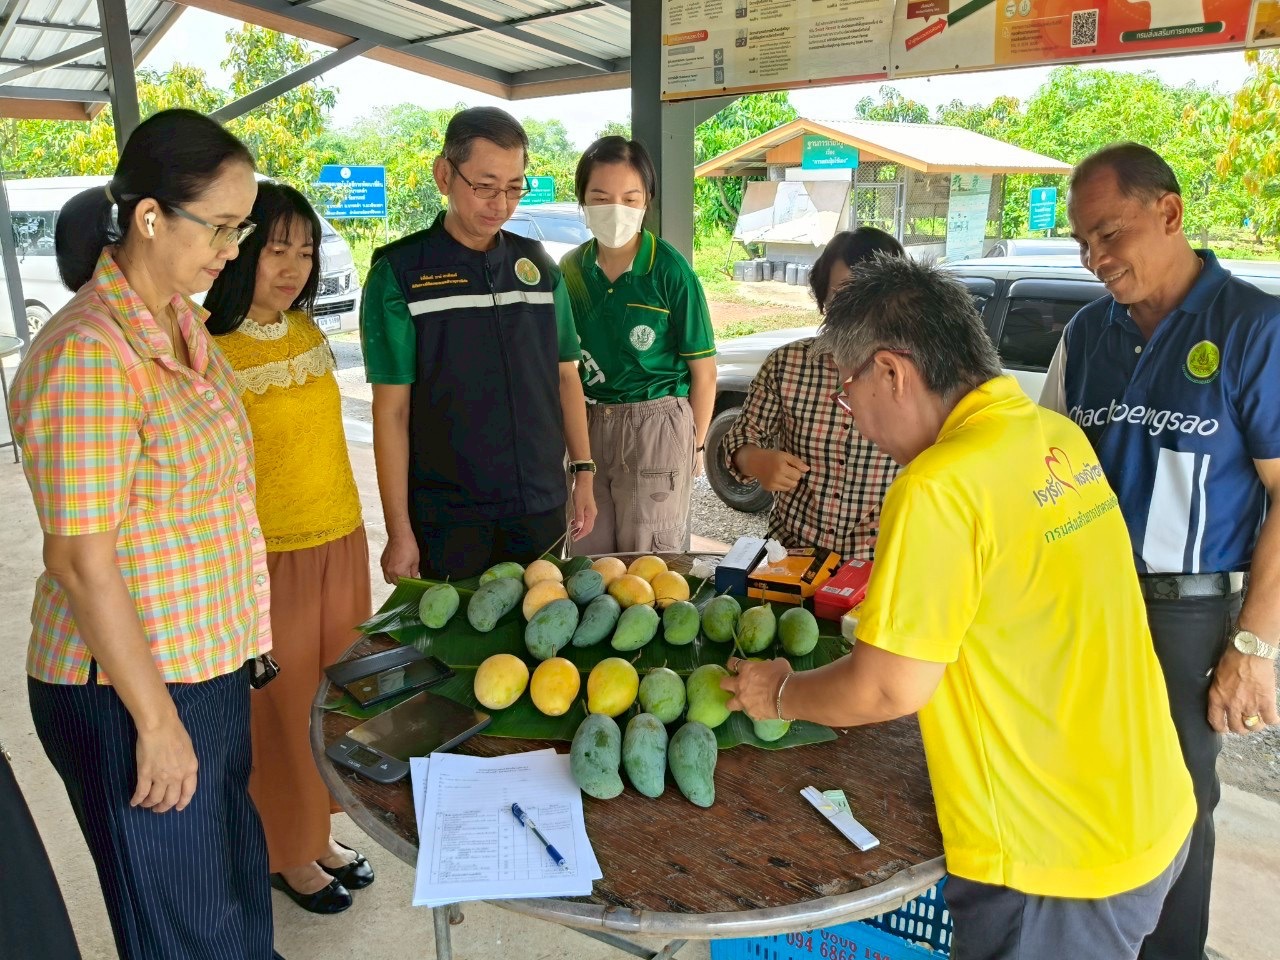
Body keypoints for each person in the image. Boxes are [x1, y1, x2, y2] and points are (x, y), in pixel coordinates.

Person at [723, 255, 1195, 960]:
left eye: (848, 391)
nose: (851, 415)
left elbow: (889, 685)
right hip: (1149, 804)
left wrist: (781, 692)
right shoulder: (1052, 438)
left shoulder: (939, 484)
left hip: (1055, 862)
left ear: (891, 371)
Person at [8, 109, 279, 960]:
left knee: (231, 887)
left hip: (202, 664)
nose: (234, 250)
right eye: (224, 227)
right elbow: (83, 565)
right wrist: (157, 726)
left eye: (243, 228)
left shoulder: (180, 321)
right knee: (183, 925)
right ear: (153, 216)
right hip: (127, 690)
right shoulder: (88, 351)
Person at [1040, 142, 1280, 960]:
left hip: (1190, 612)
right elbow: (1050, 475)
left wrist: (1254, 644)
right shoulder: (1086, 331)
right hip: (1083, 604)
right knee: (1077, 784)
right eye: (1081, 243)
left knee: (1176, 803)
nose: (1094, 258)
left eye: (1108, 234)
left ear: (1169, 213)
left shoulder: (1253, 329)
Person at [204, 182, 375, 915]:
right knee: (280, 710)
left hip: (340, 535)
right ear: (240, 247)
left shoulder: (307, 334)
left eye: (305, 251)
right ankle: (286, 850)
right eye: (278, 249)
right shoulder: (209, 347)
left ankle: (320, 833)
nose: (295, 266)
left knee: (335, 699)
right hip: (269, 558)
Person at [361, 106, 595, 581]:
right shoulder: (401, 274)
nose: (500, 203)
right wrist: (399, 531)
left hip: (540, 505)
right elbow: (391, 411)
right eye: (484, 186)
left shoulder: (537, 265)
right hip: (449, 518)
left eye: (514, 187)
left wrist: (584, 472)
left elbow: (565, 373)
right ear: (444, 174)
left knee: (546, 640)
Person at [560, 136, 716, 554]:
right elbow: (563, 370)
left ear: (648, 200)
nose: (616, 209)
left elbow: (704, 373)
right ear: (583, 200)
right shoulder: (570, 271)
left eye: (630, 198)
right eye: (601, 196)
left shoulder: (669, 270)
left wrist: (696, 444)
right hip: (589, 422)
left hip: (656, 426)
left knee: (651, 561)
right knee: (587, 556)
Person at [719, 228, 903, 559]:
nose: (858, 312)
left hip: (880, 563)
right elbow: (738, 441)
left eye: (871, 297)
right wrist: (756, 461)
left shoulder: (916, 377)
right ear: (823, 298)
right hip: (792, 553)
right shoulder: (786, 365)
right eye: (844, 295)